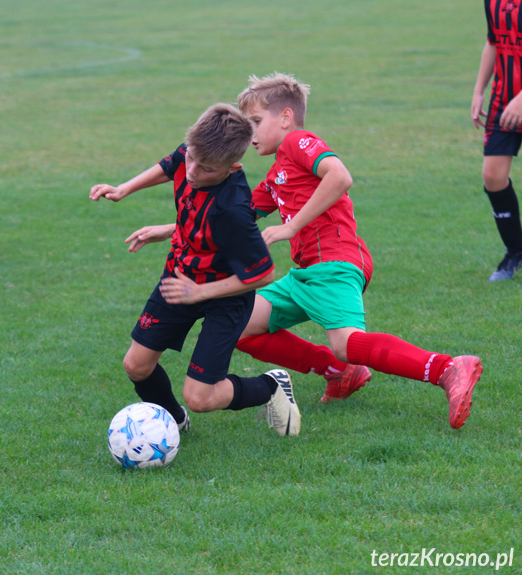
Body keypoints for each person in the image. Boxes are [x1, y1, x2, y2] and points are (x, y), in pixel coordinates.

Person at [159, 72, 482, 430]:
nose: (249, 134)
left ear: (284, 117)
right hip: (305, 275)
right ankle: (340, 373)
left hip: (336, 260)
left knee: (346, 341)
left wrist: (291, 226)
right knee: (242, 327)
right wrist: (166, 230)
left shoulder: (298, 142)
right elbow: (230, 217)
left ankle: (447, 368)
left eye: (255, 122)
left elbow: (340, 176)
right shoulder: (276, 172)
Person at [90, 103, 303, 438]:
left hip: (225, 297)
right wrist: (124, 189)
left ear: (233, 167)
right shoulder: (195, 151)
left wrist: (201, 292)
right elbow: (170, 164)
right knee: (136, 365)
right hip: (179, 278)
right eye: (192, 158)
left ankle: (271, 386)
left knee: (200, 397)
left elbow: (262, 274)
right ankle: (174, 421)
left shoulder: (233, 209)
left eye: (206, 170)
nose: (193, 171)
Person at [471, 0, 522, 281]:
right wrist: (479, 91)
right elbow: (493, 42)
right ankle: (515, 251)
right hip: (503, 100)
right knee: (492, 176)